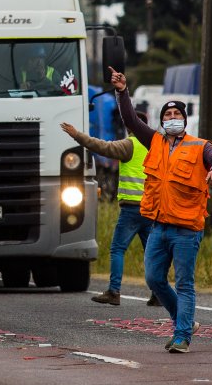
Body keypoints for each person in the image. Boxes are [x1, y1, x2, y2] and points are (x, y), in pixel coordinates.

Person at [110, 68, 212, 353]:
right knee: (153, 279)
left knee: (185, 284)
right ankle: (183, 321)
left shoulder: (199, 147)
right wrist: (123, 91)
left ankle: (182, 337)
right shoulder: (156, 142)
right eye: (168, 116)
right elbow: (130, 120)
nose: (172, 119)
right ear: (162, 121)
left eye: (177, 116)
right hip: (158, 228)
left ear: (185, 121)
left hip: (187, 229)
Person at [61, 110, 161, 307]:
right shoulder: (156, 145)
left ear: (131, 127)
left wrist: (77, 135)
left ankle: (114, 291)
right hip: (151, 208)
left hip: (132, 209)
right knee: (151, 252)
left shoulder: (129, 144)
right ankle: (158, 293)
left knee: (117, 249)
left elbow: (102, 147)